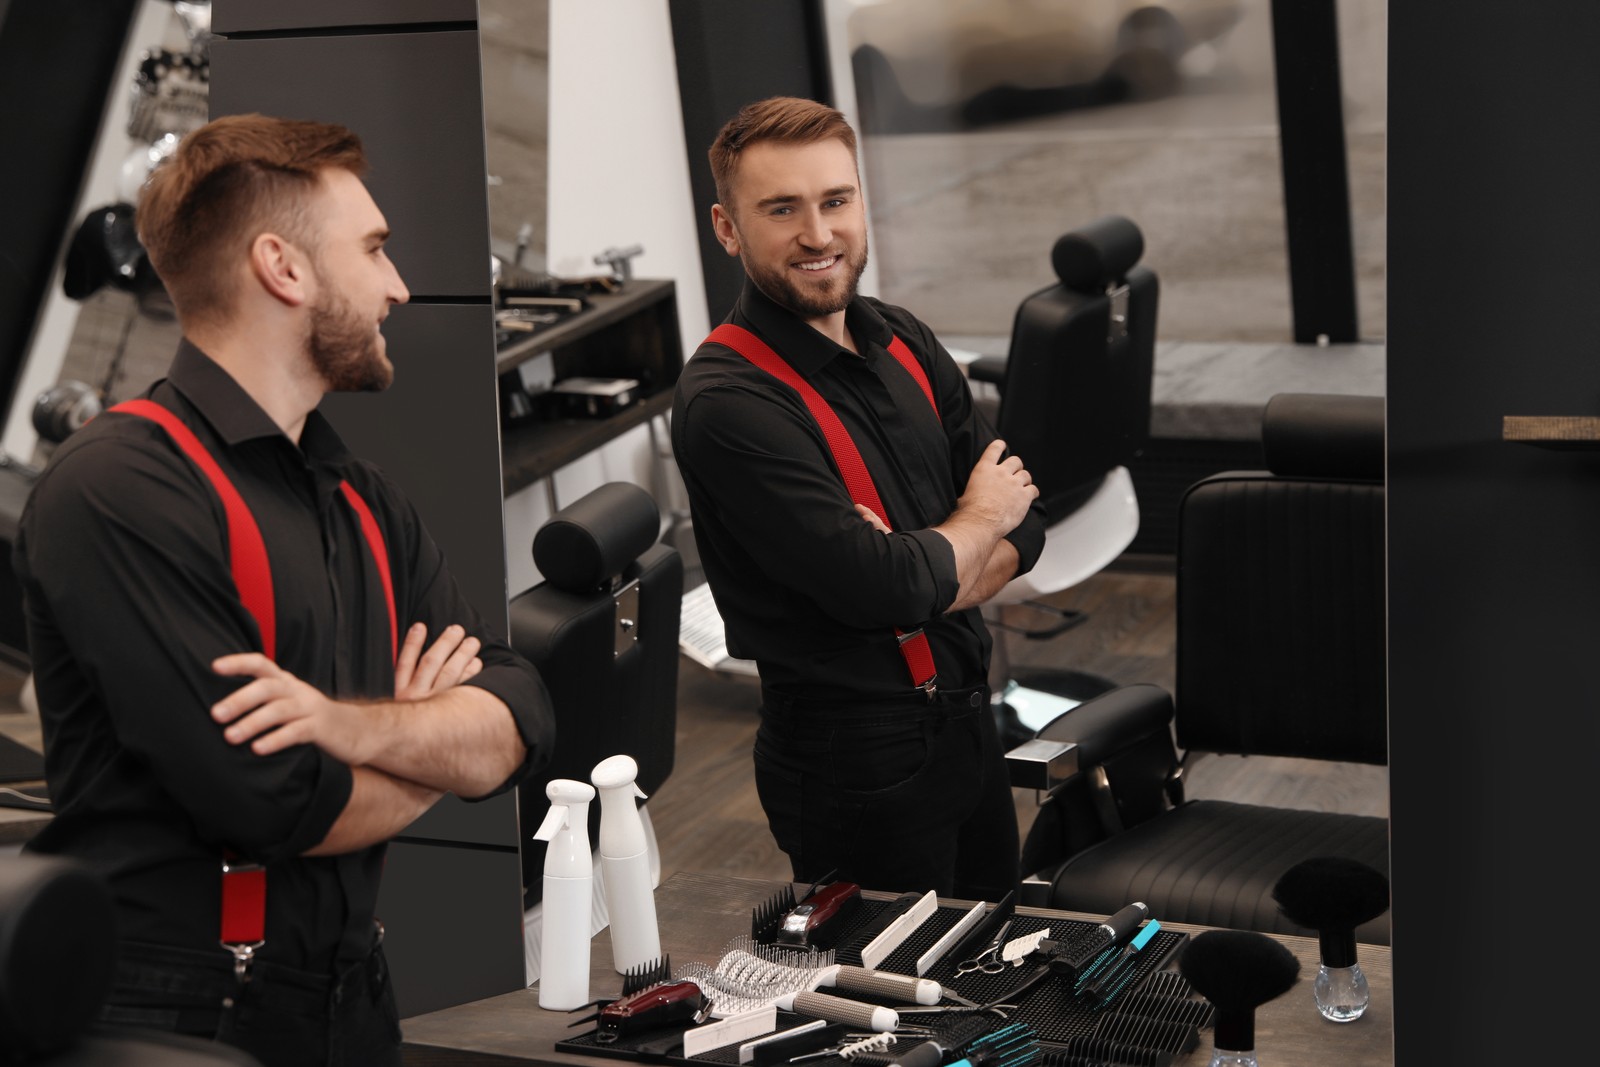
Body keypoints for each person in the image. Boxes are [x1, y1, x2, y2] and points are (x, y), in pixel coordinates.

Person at [12, 114, 555, 1067]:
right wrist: (433, 742)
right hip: (183, 1013)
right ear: (285, 268)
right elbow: (269, 800)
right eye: (375, 250)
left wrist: (350, 727)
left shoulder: (359, 497)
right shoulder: (118, 491)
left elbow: (519, 711)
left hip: (352, 999)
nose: (398, 285)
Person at [670, 96, 1046, 903]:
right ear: (727, 229)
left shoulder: (903, 337)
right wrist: (973, 521)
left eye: (835, 201)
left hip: (967, 720)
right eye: (782, 209)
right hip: (854, 760)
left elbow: (1027, 521)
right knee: (894, 1010)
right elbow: (894, 581)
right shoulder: (729, 402)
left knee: (995, 978)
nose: (818, 233)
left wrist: (925, 565)